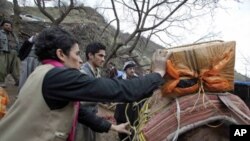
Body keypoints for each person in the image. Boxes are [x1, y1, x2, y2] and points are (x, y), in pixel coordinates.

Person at [0, 27, 171, 141]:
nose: (81, 59)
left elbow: (80, 112)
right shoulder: (58, 77)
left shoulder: (41, 72)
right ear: (61, 54)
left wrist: (112, 126)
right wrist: (157, 74)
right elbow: (117, 90)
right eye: (77, 53)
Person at [77, 42, 119, 141]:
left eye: (104, 56)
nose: (103, 59)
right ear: (90, 55)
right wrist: (102, 96)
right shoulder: (83, 74)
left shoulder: (97, 73)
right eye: (100, 55)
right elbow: (80, 100)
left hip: (92, 118)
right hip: (82, 121)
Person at [114, 60, 142, 141]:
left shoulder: (139, 80)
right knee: (122, 131)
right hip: (122, 111)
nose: (132, 70)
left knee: (133, 130)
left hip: (134, 112)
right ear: (125, 70)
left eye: (133, 68)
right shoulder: (119, 80)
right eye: (130, 68)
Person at [0, 20, 20, 87]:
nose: (8, 27)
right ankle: (1, 82)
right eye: (6, 25)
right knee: (2, 68)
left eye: (9, 25)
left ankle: (18, 81)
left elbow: (17, 44)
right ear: (2, 26)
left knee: (16, 69)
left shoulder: (13, 34)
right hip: (4, 52)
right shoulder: (0, 33)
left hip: (14, 52)